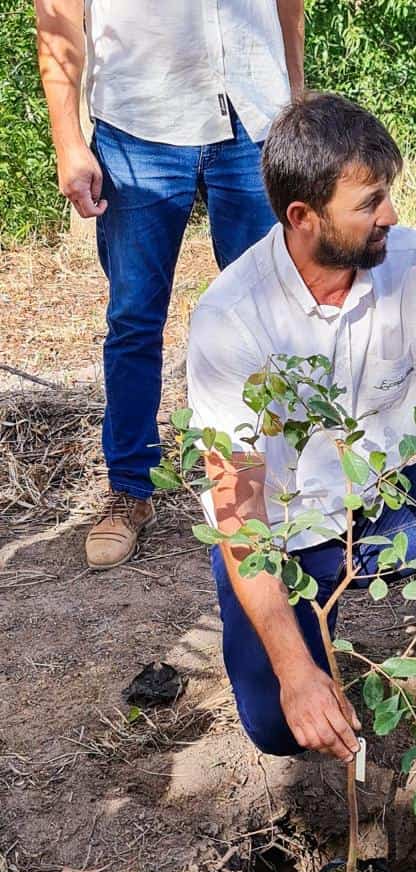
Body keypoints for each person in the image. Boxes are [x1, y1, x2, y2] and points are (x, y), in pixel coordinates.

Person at [187, 93, 416, 763]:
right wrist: (299, 675)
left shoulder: (412, 264)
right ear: (303, 218)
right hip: (283, 541)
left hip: (388, 511)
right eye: (368, 204)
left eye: (387, 194)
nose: (390, 215)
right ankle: (303, 668)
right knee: (279, 725)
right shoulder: (230, 318)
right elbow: (239, 517)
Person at [34, 0, 305, 569]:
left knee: (273, 313)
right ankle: (130, 489)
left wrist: (298, 110)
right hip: (140, 122)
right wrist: (67, 140)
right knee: (134, 319)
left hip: (255, 117)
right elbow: (58, 14)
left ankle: (278, 489)